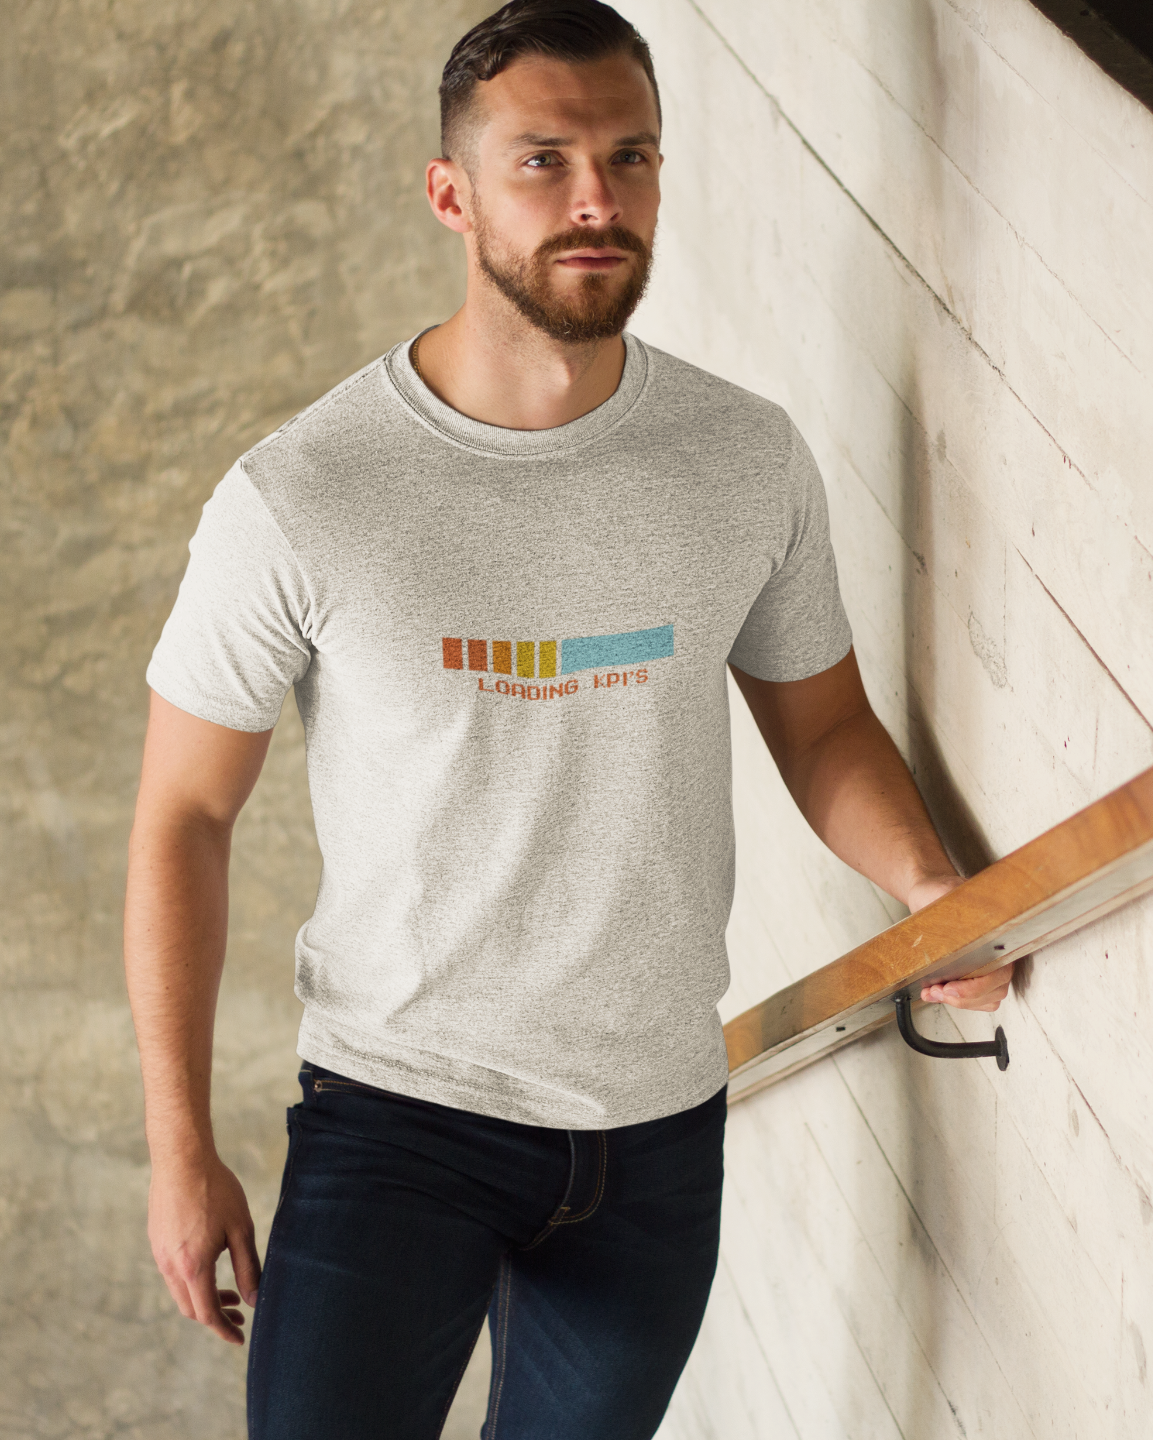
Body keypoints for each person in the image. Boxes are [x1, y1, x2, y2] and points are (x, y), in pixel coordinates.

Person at [123, 3, 1014, 1436]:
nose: (598, 200)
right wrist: (179, 1147)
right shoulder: (304, 495)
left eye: (630, 157)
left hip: (655, 1135)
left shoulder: (743, 458)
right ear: (451, 192)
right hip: (398, 1122)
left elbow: (826, 727)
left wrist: (930, 892)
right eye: (544, 160)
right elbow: (184, 813)